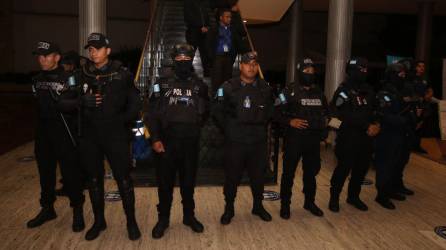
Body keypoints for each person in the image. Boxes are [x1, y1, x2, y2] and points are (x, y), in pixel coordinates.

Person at [79, 33, 142, 240]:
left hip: (115, 135)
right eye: (90, 49)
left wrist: (123, 121)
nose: (93, 52)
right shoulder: (83, 74)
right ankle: (99, 222)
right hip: (91, 136)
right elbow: (69, 102)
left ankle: (131, 222)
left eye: (97, 48)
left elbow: (135, 103)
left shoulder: (122, 74)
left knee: (123, 180)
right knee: (94, 180)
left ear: (108, 50)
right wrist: (82, 102)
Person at [145, 43, 210, 239]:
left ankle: (188, 216)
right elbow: (152, 114)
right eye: (179, 59)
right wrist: (155, 139)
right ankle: (163, 219)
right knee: (165, 184)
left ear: (191, 61)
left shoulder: (200, 86)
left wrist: (195, 127)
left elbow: (206, 112)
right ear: (173, 61)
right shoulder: (161, 84)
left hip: (190, 143)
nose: (183, 62)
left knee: (188, 183)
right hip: (166, 143)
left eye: (186, 59)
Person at [27, 41, 85, 232]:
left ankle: (77, 210)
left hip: (65, 132)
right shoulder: (36, 79)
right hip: (43, 134)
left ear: (57, 57)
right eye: (40, 56)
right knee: (45, 173)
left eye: (47, 55)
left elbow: (76, 103)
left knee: (71, 174)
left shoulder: (69, 78)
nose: (42, 59)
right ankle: (47, 208)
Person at [212, 52, 274, 225]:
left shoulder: (265, 87)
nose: (251, 67)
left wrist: (260, 123)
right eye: (247, 64)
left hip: (257, 141)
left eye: (255, 64)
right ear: (241, 66)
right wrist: (229, 128)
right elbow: (216, 110)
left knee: (258, 177)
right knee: (232, 177)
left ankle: (258, 206)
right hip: (236, 141)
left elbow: (270, 110)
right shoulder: (228, 87)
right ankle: (229, 208)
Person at [276, 58, 328, 219]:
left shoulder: (319, 92)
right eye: (306, 72)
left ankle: (309, 202)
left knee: (311, 173)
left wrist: (325, 130)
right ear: (300, 73)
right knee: (288, 174)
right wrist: (290, 121)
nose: (310, 74)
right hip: (294, 140)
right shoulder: (288, 91)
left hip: (313, 141)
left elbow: (326, 114)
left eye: (312, 72)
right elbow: (275, 112)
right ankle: (285, 205)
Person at [328, 58, 380, 213]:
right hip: (349, 137)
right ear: (351, 71)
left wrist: (377, 124)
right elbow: (339, 113)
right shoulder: (343, 91)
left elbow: (375, 109)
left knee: (361, 169)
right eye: (360, 70)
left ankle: (353, 197)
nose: (363, 72)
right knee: (343, 169)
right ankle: (334, 198)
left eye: (365, 70)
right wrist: (366, 125)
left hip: (366, 138)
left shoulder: (369, 89)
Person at [374, 63, 419, 209]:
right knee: (385, 165)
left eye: (404, 75)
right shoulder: (384, 93)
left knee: (398, 163)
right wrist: (402, 119)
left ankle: (392, 188)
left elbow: (410, 108)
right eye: (400, 75)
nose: (403, 77)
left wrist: (413, 116)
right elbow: (383, 115)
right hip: (388, 135)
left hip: (402, 134)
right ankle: (381, 195)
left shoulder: (402, 91)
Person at [206, 8, 249, 94]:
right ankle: (217, 99)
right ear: (221, 18)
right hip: (217, 58)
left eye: (230, 17)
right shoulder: (214, 29)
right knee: (217, 82)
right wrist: (211, 58)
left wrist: (248, 52)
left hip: (229, 58)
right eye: (227, 17)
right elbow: (208, 44)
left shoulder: (233, 30)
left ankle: (225, 100)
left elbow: (242, 35)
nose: (229, 19)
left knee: (227, 81)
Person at [184, 0, 211, 77]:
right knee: (191, 52)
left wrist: (207, 26)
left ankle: (206, 72)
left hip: (203, 32)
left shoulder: (202, 2)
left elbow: (206, 15)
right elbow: (188, 17)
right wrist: (200, 26)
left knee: (205, 52)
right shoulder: (188, 2)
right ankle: (187, 71)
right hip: (193, 31)